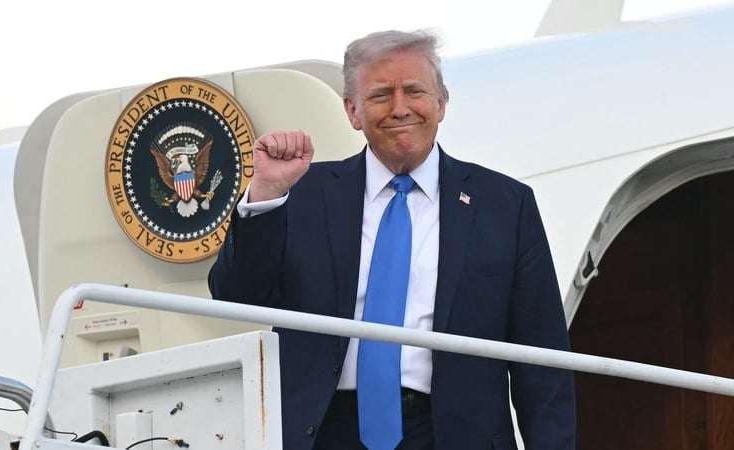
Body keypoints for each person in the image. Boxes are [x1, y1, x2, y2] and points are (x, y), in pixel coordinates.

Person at [208, 29, 575, 449]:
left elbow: (542, 360)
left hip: (452, 435)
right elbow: (238, 297)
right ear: (352, 111)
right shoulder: (303, 194)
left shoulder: (505, 206)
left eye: (415, 91)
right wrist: (266, 195)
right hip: (326, 433)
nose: (400, 108)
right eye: (381, 95)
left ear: (441, 103)